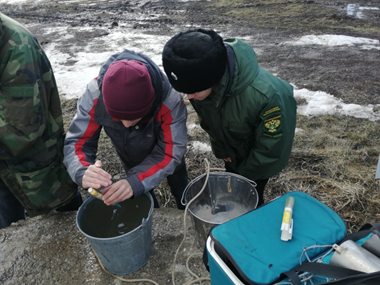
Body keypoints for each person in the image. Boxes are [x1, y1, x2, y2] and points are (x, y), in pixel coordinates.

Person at [162, 28, 297, 206]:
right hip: (234, 152)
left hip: (259, 161)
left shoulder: (267, 97)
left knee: (250, 196)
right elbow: (211, 123)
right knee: (233, 191)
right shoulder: (200, 86)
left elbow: (271, 149)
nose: (190, 98)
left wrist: (244, 176)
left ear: (213, 79)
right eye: (186, 92)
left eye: (193, 91)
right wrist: (223, 152)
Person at [63, 49, 188, 210]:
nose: (127, 125)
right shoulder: (94, 96)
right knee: (140, 193)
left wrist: (135, 181)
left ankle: (185, 208)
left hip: (168, 157)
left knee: (181, 185)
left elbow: (171, 151)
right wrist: (82, 170)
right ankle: (152, 212)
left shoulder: (169, 100)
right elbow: (77, 142)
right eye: (118, 118)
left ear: (150, 103)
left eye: (135, 117)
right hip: (130, 157)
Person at [0, 13, 83, 229]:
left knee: (66, 218)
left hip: (35, 165)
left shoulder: (17, 49)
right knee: (9, 231)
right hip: (5, 170)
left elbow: (21, 130)